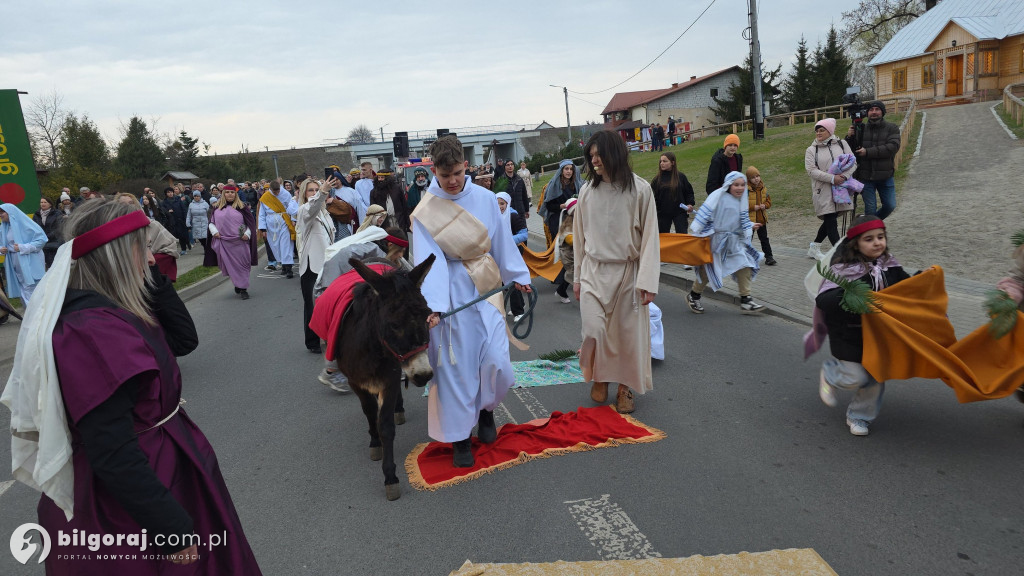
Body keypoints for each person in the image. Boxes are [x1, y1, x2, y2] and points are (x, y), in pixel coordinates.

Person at [1, 199, 263, 573]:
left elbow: (184, 339)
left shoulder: (116, 307)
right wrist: (169, 528)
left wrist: (149, 276)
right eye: (144, 248)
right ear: (118, 257)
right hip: (135, 492)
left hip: (168, 465)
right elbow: (111, 448)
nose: (153, 258)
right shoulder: (93, 332)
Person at [412, 135, 531, 468]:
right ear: (434, 171)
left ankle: (486, 408)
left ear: (466, 166)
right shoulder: (425, 211)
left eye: (457, 173)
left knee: (497, 360)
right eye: (444, 175)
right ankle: (460, 437)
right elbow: (429, 260)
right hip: (450, 294)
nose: (452, 181)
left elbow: (501, 241)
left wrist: (518, 276)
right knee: (456, 368)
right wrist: (434, 306)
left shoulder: (486, 198)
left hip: (486, 287)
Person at [573, 130, 660, 415]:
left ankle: (625, 387)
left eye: (599, 155)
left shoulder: (640, 190)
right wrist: (577, 278)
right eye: (591, 156)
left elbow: (650, 238)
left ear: (615, 154)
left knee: (627, 336)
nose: (594, 161)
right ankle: (600, 375)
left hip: (628, 273)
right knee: (593, 331)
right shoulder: (587, 192)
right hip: (593, 271)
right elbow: (579, 239)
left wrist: (648, 281)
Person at [815, 216, 909, 436]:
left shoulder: (890, 265)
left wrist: (924, 279)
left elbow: (907, 287)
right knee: (856, 376)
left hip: (878, 335)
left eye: (880, 237)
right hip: (848, 333)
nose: (877, 243)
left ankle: (859, 416)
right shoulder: (843, 269)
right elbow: (823, 300)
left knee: (875, 377)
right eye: (869, 239)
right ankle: (830, 374)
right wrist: (847, 295)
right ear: (855, 243)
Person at [686, 171, 766, 315]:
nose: (740, 188)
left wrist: (750, 225)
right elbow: (705, 215)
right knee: (707, 272)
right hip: (716, 243)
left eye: (742, 185)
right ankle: (694, 295)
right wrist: (700, 233)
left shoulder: (741, 201)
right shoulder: (718, 198)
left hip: (733, 243)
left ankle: (746, 300)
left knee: (744, 265)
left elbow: (739, 220)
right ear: (729, 185)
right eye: (736, 185)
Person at [806, 118, 856, 259]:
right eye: (817, 131)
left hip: (841, 188)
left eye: (822, 130)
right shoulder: (811, 150)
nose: (818, 133)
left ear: (830, 131)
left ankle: (814, 247)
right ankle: (842, 253)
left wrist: (844, 176)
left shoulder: (842, 144)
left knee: (831, 219)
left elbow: (853, 162)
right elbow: (811, 171)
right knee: (830, 219)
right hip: (822, 189)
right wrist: (832, 178)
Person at [297, 177, 336, 353]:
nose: (314, 193)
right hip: (310, 265)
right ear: (304, 194)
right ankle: (312, 342)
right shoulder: (304, 210)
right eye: (310, 190)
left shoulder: (324, 213)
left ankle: (329, 336)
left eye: (316, 189)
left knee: (328, 303)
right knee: (311, 305)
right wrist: (322, 192)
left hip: (326, 264)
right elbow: (311, 208)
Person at [845, 100, 900, 219]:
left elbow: (892, 147)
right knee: (870, 209)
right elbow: (850, 151)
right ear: (867, 113)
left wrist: (868, 152)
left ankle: (868, 222)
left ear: (882, 112)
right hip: (866, 176)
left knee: (890, 206)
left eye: (877, 109)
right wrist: (849, 137)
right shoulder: (861, 128)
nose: (874, 112)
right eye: (871, 110)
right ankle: (870, 225)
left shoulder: (892, 128)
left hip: (885, 175)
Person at [206, 185, 258, 299]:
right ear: (223, 194)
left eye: (232, 192)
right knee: (231, 266)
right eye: (227, 192)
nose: (230, 194)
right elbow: (211, 223)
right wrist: (214, 232)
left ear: (236, 194)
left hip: (240, 242)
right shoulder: (217, 208)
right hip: (224, 243)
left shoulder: (242, 207)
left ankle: (243, 288)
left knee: (243, 266)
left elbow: (251, 223)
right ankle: (240, 285)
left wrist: (247, 234)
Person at [0, 203, 47, 306]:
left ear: (11, 213)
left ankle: (37, 312)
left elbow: (42, 240)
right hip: (14, 261)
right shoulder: (4, 227)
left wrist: (23, 247)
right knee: (22, 286)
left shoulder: (27, 224)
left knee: (32, 287)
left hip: (30, 260)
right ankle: (29, 312)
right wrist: (1, 249)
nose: (0, 215)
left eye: (2, 212)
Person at [496, 191, 529, 321]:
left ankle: (519, 312)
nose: (499, 206)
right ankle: (520, 304)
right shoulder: (494, 216)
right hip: (500, 251)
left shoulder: (513, 216)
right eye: (497, 203)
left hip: (514, 251)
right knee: (506, 280)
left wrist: (508, 240)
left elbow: (524, 234)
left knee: (511, 279)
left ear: (507, 203)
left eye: (502, 203)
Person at [258, 180, 298, 279]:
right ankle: (283, 265)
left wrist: (293, 219)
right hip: (271, 224)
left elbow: (292, 207)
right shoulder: (265, 197)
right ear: (270, 189)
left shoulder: (286, 194)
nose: (276, 193)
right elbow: (262, 214)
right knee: (276, 246)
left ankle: (289, 268)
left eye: (278, 191)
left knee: (286, 244)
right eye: (274, 191)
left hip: (284, 221)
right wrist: (263, 229)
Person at [650, 152, 695, 233]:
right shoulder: (657, 180)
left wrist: (690, 203)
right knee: (663, 237)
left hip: (680, 212)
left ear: (672, 163)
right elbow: (651, 197)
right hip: (663, 214)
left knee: (682, 235)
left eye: (665, 161)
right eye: (661, 161)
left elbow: (689, 192)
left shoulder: (681, 177)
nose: (662, 163)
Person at [542, 159, 582, 245]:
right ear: (561, 171)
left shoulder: (576, 184)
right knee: (559, 245)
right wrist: (561, 206)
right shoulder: (553, 185)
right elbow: (548, 206)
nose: (569, 171)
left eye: (571, 169)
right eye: (566, 169)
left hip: (572, 219)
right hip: (557, 220)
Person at [746, 166, 776, 265]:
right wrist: (752, 207)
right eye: (753, 177)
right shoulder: (746, 190)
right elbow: (741, 205)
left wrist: (765, 205)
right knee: (748, 239)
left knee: (764, 239)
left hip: (761, 219)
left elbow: (769, 201)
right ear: (749, 179)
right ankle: (745, 258)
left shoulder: (763, 188)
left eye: (758, 176)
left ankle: (769, 257)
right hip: (750, 221)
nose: (756, 179)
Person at [32, 196, 65, 269]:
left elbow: (59, 228)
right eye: (41, 202)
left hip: (55, 242)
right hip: (43, 243)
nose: (43, 204)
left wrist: (47, 236)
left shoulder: (57, 213)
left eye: (45, 202)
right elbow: (34, 227)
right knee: (49, 265)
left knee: (57, 265)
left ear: (50, 204)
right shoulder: (36, 214)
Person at [555, 198, 578, 304]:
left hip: (576, 254)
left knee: (573, 274)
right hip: (569, 255)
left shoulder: (579, 220)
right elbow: (571, 240)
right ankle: (562, 291)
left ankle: (561, 290)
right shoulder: (568, 225)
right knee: (573, 274)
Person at [160, 187, 189, 255]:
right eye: (168, 192)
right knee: (172, 236)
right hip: (170, 222)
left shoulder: (178, 199)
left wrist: (185, 219)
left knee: (182, 235)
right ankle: (174, 250)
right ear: (166, 194)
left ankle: (184, 249)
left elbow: (184, 209)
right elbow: (162, 211)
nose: (170, 193)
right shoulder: (164, 202)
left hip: (180, 220)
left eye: (171, 192)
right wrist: (167, 211)